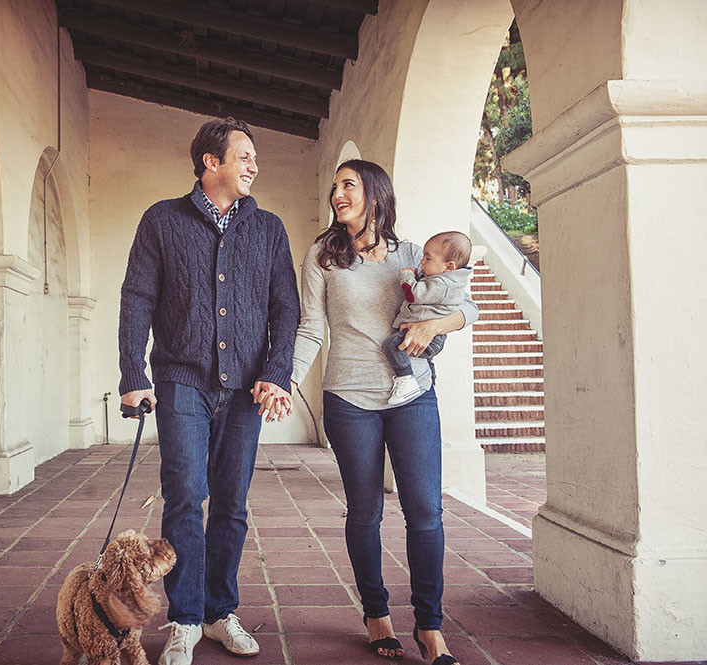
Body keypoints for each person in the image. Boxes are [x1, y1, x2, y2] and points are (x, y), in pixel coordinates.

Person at [117, 117, 299, 665]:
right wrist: (132, 376)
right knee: (183, 497)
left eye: (255, 157)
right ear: (210, 163)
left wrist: (277, 369)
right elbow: (136, 298)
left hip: (246, 387)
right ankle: (185, 618)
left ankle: (220, 612)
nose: (253, 165)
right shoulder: (161, 221)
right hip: (180, 381)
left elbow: (285, 308)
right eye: (243, 156)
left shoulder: (269, 229)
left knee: (232, 503)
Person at [285, 159, 475, 665]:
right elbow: (310, 329)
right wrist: (284, 381)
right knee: (365, 512)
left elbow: (465, 307)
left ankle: (430, 627)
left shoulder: (416, 255)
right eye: (334, 185)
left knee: (426, 512)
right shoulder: (322, 256)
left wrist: (433, 329)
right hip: (349, 399)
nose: (337, 193)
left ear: (375, 193)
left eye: (349, 184)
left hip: (411, 395)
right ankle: (376, 615)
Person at [382, 231, 473, 405]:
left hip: (431, 338)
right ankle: (429, 381)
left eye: (428, 258)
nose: (422, 261)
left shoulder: (444, 284)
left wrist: (407, 277)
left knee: (392, 345)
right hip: (433, 338)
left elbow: (414, 296)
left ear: (449, 266)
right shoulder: (443, 279)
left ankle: (406, 379)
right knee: (427, 363)